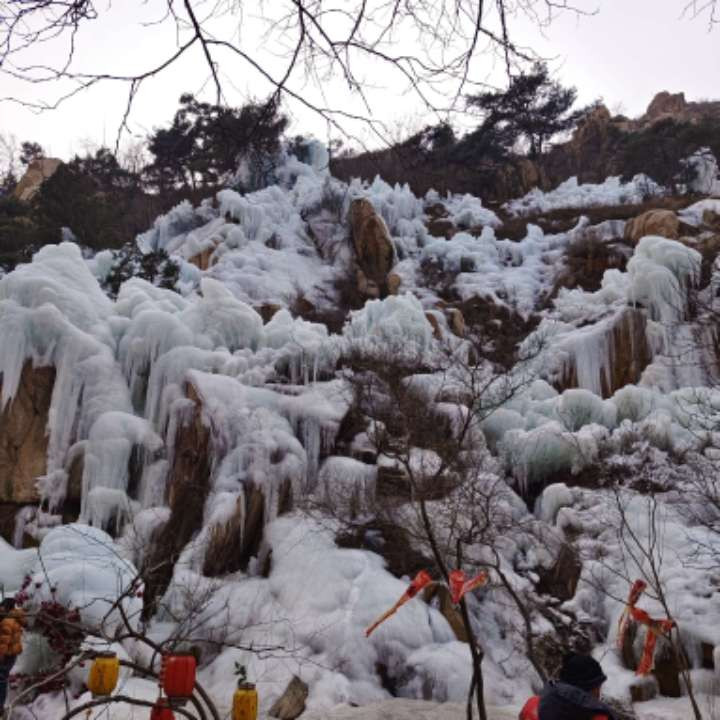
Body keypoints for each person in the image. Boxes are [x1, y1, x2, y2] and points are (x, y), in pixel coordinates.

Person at [520, 652, 616, 720]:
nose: (599, 693)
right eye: (597, 687)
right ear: (586, 689)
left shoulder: (532, 706)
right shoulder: (600, 718)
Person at [0, 597, 24, 714]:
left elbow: (4, 640)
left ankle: (0, 707)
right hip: (11, 655)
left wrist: (1, 655)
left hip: (5, 655)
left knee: (1, 680)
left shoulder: (8, 620)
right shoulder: (15, 617)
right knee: (2, 679)